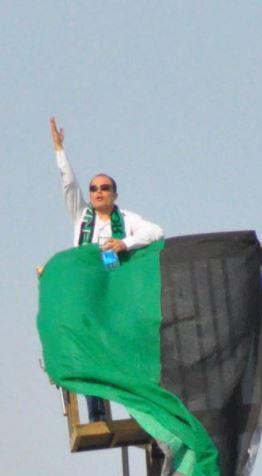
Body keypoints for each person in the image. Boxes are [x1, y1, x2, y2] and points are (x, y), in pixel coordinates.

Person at [49, 117, 164, 422]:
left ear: (115, 193)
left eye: (105, 188)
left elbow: (155, 232)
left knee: (123, 350)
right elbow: (68, 185)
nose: (98, 192)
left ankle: (142, 409)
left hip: (115, 295)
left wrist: (124, 244)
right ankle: (98, 413)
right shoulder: (81, 217)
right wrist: (60, 150)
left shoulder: (125, 219)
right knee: (89, 351)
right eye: (94, 188)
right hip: (87, 295)